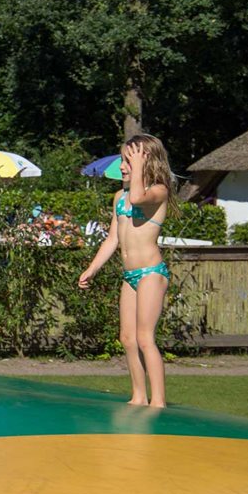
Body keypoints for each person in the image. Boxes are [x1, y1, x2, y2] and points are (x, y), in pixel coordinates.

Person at [77, 134, 175, 408]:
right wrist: (91, 269)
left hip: (151, 273)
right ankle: (139, 396)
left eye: (129, 160)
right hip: (130, 276)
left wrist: (139, 170)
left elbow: (139, 196)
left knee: (145, 338)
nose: (122, 165)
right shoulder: (119, 197)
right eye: (122, 159)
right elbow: (113, 239)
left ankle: (159, 402)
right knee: (127, 338)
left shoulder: (158, 190)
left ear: (146, 161)